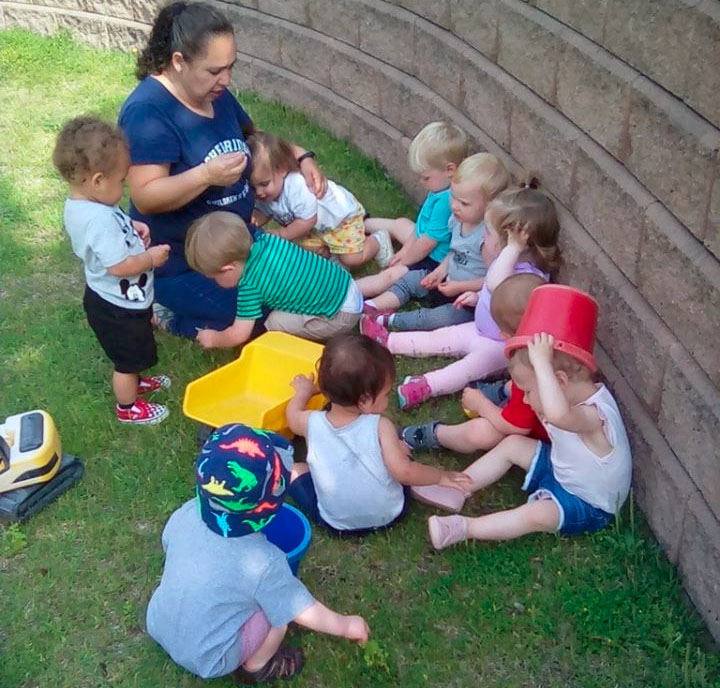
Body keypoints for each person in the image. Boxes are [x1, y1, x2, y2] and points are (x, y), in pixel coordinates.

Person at [118, 1, 325, 339]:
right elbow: (146, 196)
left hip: (240, 241)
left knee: (308, 290)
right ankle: (165, 309)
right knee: (261, 320)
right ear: (179, 62)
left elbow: (255, 139)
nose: (226, 80)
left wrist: (302, 156)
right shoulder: (147, 112)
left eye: (230, 67)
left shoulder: (216, 95)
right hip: (188, 262)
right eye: (214, 71)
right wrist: (206, 176)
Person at [146, 424, 369, 682]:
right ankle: (256, 665)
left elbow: (169, 546)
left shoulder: (185, 514)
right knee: (278, 615)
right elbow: (300, 608)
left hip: (157, 621)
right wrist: (346, 625)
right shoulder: (263, 563)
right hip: (210, 657)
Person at [360, 181, 562, 410]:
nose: (482, 238)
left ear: (514, 245)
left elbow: (497, 285)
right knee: (440, 337)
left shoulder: (529, 277)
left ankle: (427, 386)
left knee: (465, 369)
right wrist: (477, 297)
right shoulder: (506, 264)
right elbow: (493, 290)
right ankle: (389, 342)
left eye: (487, 233)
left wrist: (512, 249)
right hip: (480, 327)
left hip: (497, 347)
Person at [424, 333, 632, 550]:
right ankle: (458, 488)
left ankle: (464, 528)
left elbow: (558, 416)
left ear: (559, 382)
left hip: (588, 503)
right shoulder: (567, 399)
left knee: (537, 514)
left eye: (528, 391)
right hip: (564, 469)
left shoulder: (593, 416)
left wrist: (542, 363)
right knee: (513, 444)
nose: (524, 399)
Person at [285, 334, 472, 535]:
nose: (388, 401)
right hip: (390, 515)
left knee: (294, 468)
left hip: (336, 524)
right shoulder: (380, 426)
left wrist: (302, 392)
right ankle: (414, 481)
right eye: (386, 394)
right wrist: (440, 476)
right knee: (398, 451)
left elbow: (292, 416)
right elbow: (404, 473)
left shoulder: (309, 422)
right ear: (364, 401)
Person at [52, 116, 171, 425]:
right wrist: (151, 258)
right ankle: (128, 406)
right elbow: (119, 265)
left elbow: (109, 230)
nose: (125, 186)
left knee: (135, 351)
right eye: (121, 181)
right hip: (117, 306)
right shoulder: (98, 219)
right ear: (98, 181)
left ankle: (136, 381)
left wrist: (132, 225)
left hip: (112, 299)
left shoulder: (85, 205)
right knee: (126, 359)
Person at [402, 273, 548, 454]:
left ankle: (434, 434)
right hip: (538, 416)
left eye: (504, 331)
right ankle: (499, 392)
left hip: (541, 439)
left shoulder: (529, 370)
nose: (501, 336)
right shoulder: (549, 348)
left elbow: (515, 427)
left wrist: (480, 404)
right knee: (512, 392)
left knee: (480, 433)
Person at [362, 153, 510, 331]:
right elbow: (454, 253)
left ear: (490, 205)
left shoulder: (489, 237)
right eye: (453, 197)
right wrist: (439, 272)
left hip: (466, 300)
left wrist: (459, 287)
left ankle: (389, 321)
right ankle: (371, 306)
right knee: (408, 280)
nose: (454, 205)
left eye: (464, 203)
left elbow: (491, 279)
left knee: (439, 318)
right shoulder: (458, 219)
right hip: (447, 281)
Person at [184, 211, 363, 348]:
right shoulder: (268, 239)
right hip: (345, 283)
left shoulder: (250, 286)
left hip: (340, 316)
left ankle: (301, 350)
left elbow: (238, 334)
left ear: (228, 269)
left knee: (274, 321)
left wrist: (213, 338)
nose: (215, 282)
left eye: (214, 278)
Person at [248, 131, 394, 269]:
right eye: (253, 188)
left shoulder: (296, 187)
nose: (259, 193)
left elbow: (308, 220)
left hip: (340, 219)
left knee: (351, 259)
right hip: (319, 229)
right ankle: (332, 252)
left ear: (282, 169)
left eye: (264, 184)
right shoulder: (266, 194)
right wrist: (255, 219)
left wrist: (281, 234)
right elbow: (264, 212)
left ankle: (378, 241)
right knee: (308, 254)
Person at [357, 121, 468, 298]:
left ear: (450, 170)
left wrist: (405, 259)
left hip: (432, 260)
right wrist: (406, 248)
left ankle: (346, 291)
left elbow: (426, 244)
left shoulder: (446, 201)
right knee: (401, 223)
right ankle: (358, 223)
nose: (421, 182)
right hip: (423, 240)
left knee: (391, 275)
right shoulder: (439, 187)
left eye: (425, 177)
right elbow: (420, 232)